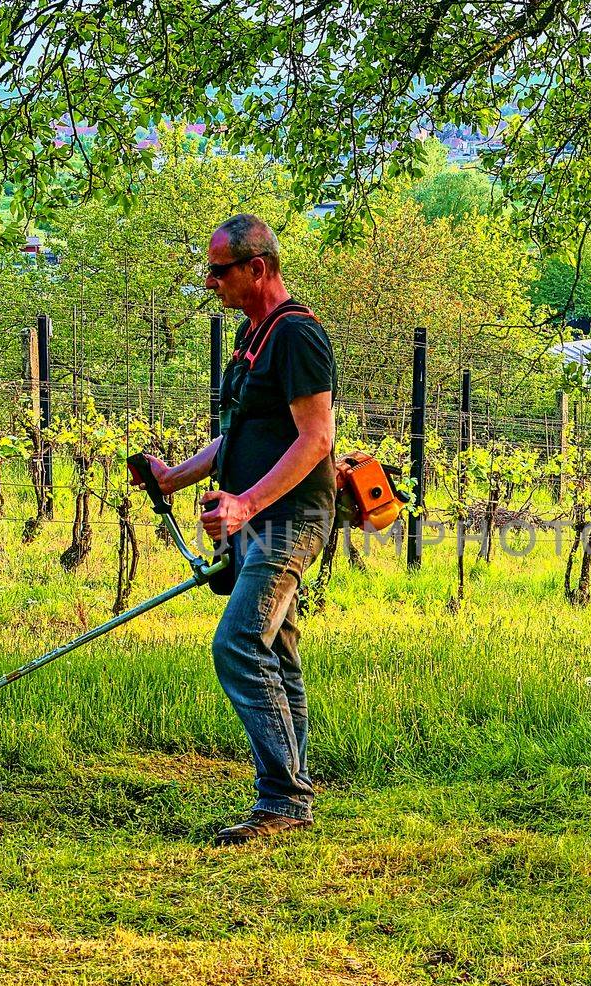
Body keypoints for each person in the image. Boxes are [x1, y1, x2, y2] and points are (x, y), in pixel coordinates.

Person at [140, 214, 336, 844]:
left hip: (290, 520)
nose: (210, 280)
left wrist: (246, 504)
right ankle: (289, 795)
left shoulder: (297, 337)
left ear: (259, 269)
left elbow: (316, 439)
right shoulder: (253, 338)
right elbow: (240, 432)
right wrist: (175, 477)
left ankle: (283, 799)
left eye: (220, 269)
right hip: (259, 519)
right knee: (276, 653)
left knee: (238, 645)